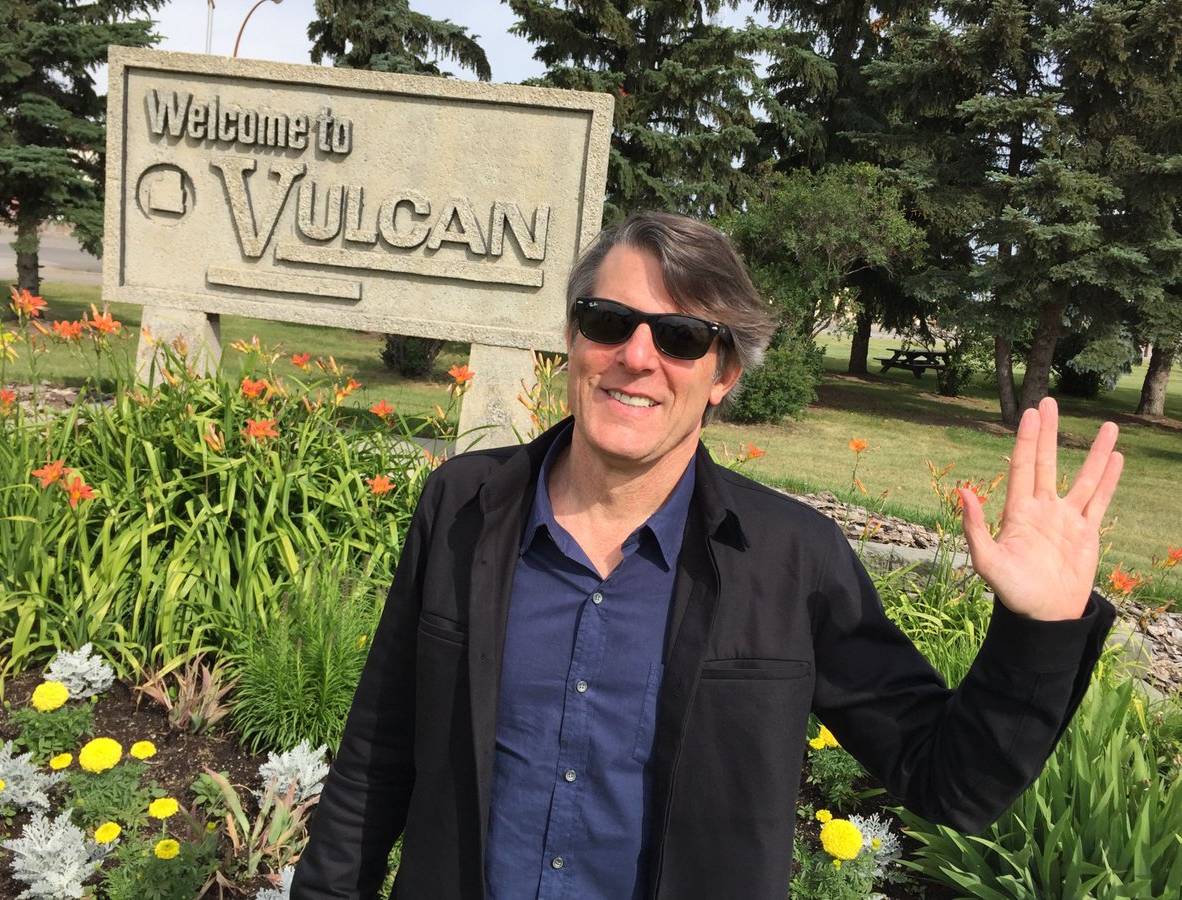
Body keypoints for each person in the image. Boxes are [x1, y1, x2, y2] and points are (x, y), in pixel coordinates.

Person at [293, 212, 1122, 900]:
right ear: (576, 339)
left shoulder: (792, 561)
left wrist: (1038, 630)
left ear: (722, 373)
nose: (637, 357)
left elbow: (950, 782)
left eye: (683, 336)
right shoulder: (465, 507)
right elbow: (378, 752)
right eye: (609, 321)